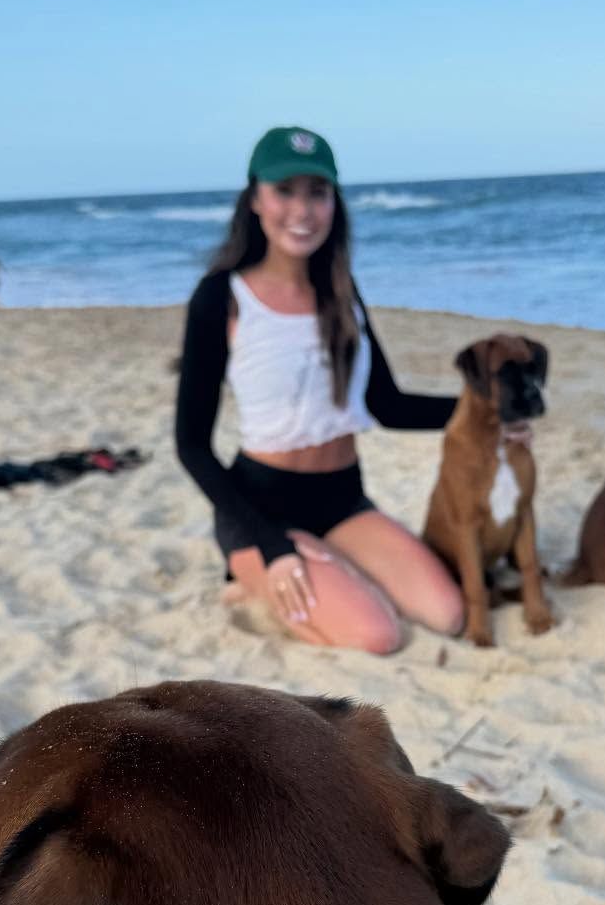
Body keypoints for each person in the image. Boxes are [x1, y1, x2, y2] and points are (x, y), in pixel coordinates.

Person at [174, 126, 468, 653]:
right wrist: (272, 546)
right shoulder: (222, 296)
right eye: (284, 191)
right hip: (259, 507)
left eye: (318, 192)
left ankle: (331, 565)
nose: (303, 211)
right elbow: (191, 444)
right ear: (255, 199)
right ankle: (251, 576)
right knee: (378, 636)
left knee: (448, 614)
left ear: (335, 202)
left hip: (342, 500)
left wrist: (486, 409)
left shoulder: (341, 290)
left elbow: (387, 405)